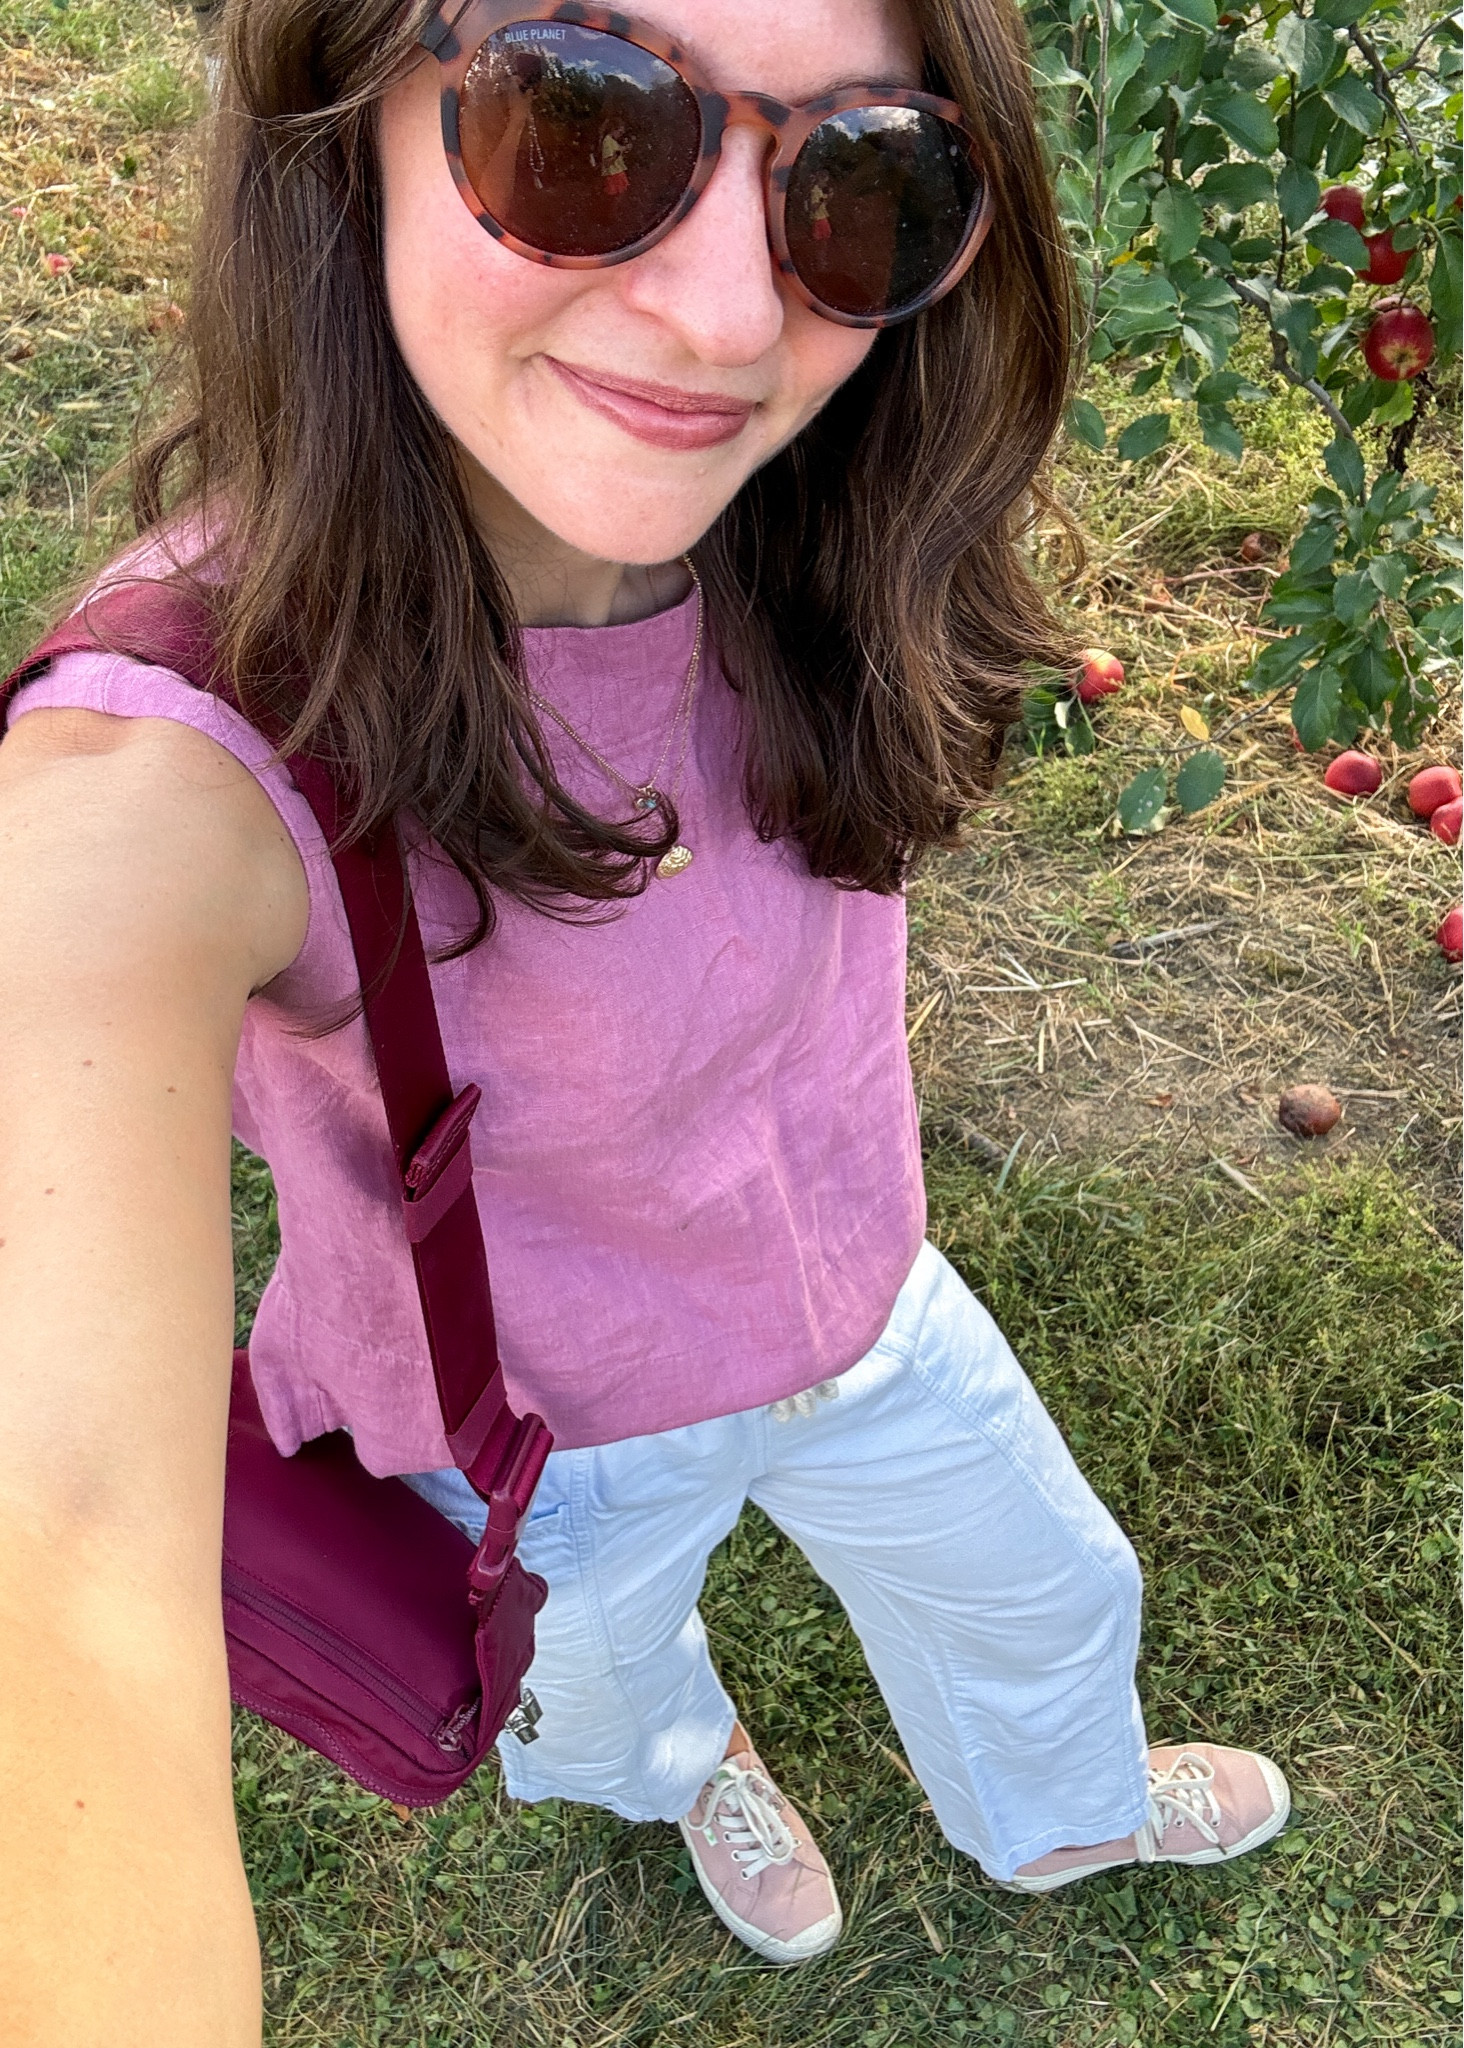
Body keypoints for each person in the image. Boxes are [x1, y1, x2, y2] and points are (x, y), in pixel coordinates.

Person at [0, 0, 1290, 2038]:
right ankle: (696, 1772)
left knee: (1048, 1592)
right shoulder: (176, 762)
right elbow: (57, 1541)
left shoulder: (815, 514)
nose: (723, 318)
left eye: (858, 185)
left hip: (857, 1290)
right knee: (603, 1698)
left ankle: (1058, 1806)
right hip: (536, 1440)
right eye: (582, 127)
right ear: (338, 105)